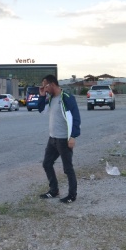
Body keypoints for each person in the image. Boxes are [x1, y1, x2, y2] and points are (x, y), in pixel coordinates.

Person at [37, 74, 81, 203]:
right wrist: (42, 95)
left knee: (68, 168)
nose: (44, 88)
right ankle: (54, 190)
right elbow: (40, 110)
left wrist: (73, 136)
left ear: (52, 84)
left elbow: (76, 117)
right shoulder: (50, 98)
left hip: (63, 139)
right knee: (47, 163)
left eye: (45, 86)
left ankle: (72, 195)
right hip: (53, 139)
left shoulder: (66, 97)